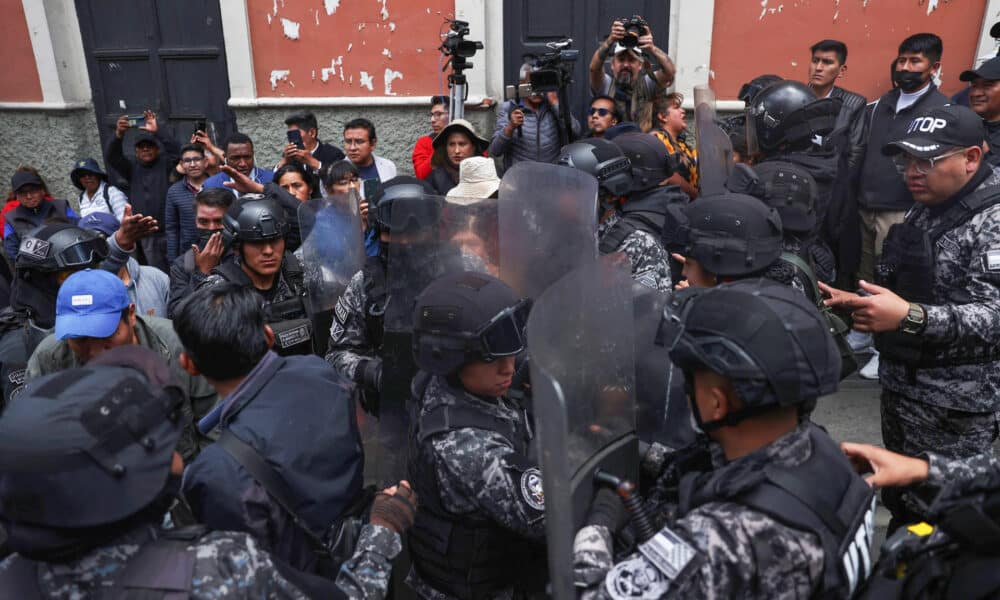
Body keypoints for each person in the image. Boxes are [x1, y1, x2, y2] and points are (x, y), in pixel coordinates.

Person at [0, 345, 415, 599]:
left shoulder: (12, 578)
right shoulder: (218, 571)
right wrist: (383, 528)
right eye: (157, 446)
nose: (175, 453)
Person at [573, 278, 876, 599]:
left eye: (690, 378)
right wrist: (646, 453)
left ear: (716, 402)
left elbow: (591, 595)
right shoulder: (824, 453)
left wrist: (599, 524)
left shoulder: (719, 538)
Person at [821, 103, 1000, 533]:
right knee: (902, 500)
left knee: (946, 514)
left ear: (971, 158)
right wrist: (862, 300)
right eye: (907, 160)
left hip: (956, 408)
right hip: (905, 388)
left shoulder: (992, 219)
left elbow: (994, 316)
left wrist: (909, 317)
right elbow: (920, 282)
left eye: (928, 160)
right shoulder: (930, 202)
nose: (912, 171)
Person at [176, 283, 366, 576]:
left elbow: (242, 574)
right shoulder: (320, 372)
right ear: (267, 336)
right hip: (359, 550)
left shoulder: (216, 471)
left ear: (188, 364)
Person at [406, 270, 546, 600]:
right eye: (490, 357)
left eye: (509, 351)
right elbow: (553, 520)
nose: (508, 368)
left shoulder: (446, 379)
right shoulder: (469, 449)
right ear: (449, 357)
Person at [26, 268, 218, 461]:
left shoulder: (180, 346)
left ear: (131, 315)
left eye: (106, 334)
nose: (95, 352)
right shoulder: (49, 359)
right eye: (81, 339)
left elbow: (216, 433)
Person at [853, 33, 948, 375]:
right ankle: (863, 332)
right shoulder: (880, 105)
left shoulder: (942, 111)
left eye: (915, 62)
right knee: (865, 273)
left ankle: (885, 345)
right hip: (867, 202)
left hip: (901, 208)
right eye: (902, 60)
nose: (906, 68)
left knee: (893, 277)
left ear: (933, 67)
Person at [325, 177, 438, 410]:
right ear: (379, 233)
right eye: (394, 234)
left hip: (452, 407)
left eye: (413, 234)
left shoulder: (460, 268)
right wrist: (374, 372)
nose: (404, 243)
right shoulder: (365, 283)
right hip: (391, 408)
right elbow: (337, 354)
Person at [0, 223, 108, 407]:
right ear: (39, 279)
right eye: (69, 275)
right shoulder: (18, 343)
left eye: (91, 269)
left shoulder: (97, 316)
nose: (83, 283)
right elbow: (30, 419)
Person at [198, 196, 313, 356]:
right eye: (257, 243)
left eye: (274, 240)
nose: (268, 251)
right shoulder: (220, 289)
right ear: (237, 247)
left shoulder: (301, 272)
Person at [558, 135, 675, 291]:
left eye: (575, 189)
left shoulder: (638, 246)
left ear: (610, 194)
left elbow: (652, 311)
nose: (563, 198)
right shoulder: (556, 237)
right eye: (561, 187)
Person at [104, 110, 180, 271]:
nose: (146, 150)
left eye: (149, 146)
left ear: (157, 150)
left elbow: (179, 153)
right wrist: (118, 135)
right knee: (157, 271)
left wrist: (158, 132)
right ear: (136, 151)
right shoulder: (131, 168)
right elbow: (112, 157)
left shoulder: (166, 164)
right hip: (147, 234)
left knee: (178, 269)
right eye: (141, 147)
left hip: (170, 230)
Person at [489, 64, 581, 171]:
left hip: (551, 178)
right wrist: (510, 127)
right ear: (521, 84)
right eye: (531, 83)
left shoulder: (554, 106)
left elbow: (575, 132)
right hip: (519, 180)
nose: (536, 90)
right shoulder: (509, 108)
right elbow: (495, 150)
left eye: (540, 83)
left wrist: (556, 104)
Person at [79, 212, 170, 318]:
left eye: (100, 244)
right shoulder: (81, 290)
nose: (94, 252)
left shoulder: (156, 278)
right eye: (86, 246)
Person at [588, 16, 675, 122]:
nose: (626, 65)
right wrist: (610, 40)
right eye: (621, 59)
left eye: (631, 60)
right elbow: (594, 69)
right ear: (612, 64)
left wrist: (652, 48)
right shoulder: (606, 85)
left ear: (640, 65)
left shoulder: (647, 84)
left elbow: (669, 73)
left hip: (641, 137)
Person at [167, 187, 236, 318]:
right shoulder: (185, 263)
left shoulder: (245, 255)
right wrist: (202, 274)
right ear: (195, 221)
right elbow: (177, 314)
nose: (211, 228)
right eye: (203, 221)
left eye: (218, 221)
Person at [806, 39, 867, 173]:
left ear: (841, 70)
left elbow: (855, 155)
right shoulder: (793, 98)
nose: (818, 68)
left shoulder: (854, 105)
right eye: (815, 61)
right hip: (795, 179)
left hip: (831, 182)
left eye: (827, 62)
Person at [3, 170, 78, 261]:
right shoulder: (11, 220)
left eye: (33, 190)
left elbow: (80, 229)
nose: (29, 196)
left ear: (42, 190)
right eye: (23, 193)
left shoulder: (61, 207)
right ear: (17, 196)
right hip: (36, 271)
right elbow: (12, 252)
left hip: (71, 262)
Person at [165, 143, 210, 263]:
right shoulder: (174, 191)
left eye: (197, 159)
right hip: (188, 253)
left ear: (205, 162)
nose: (193, 164)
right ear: (181, 165)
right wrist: (172, 260)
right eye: (187, 160)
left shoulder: (217, 185)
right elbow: (172, 228)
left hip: (218, 249)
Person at [649, 92, 699, 198]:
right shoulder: (656, 138)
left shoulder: (683, 145)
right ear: (663, 117)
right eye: (676, 108)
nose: (683, 111)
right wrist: (696, 195)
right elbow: (670, 176)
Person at [427, 119, 489, 196]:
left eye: (462, 144)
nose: (457, 151)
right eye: (452, 144)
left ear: (474, 147)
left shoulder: (488, 175)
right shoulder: (436, 178)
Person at [275, 110, 345, 176]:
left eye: (295, 134)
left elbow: (339, 181)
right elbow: (273, 183)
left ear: (312, 133)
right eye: (290, 135)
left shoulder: (333, 154)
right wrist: (284, 161)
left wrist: (313, 163)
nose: (293, 140)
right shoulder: (290, 158)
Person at [203, 132, 275, 195]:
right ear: (225, 158)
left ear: (253, 155)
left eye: (247, 157)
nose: (242, 164)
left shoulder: (272, 180)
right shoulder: (212, 185)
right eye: (236, 158)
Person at [960, 55, 1000, 166]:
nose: (975, 93)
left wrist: (986, 153)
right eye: (974, 86)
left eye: (987, 85)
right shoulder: (967, 126)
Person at [343, 118, 397, 186]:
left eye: (359, 142)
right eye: (348, 141)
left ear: (373, 144)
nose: (352, 148)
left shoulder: (388, 167)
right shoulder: (335, 172)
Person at [414, 96, 450, 179]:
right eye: (432, 115)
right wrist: (441, 146)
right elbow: (421, 175)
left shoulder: (468, 141)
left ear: (452, 115)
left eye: (439, 114)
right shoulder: (424, 142)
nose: (432, 119)